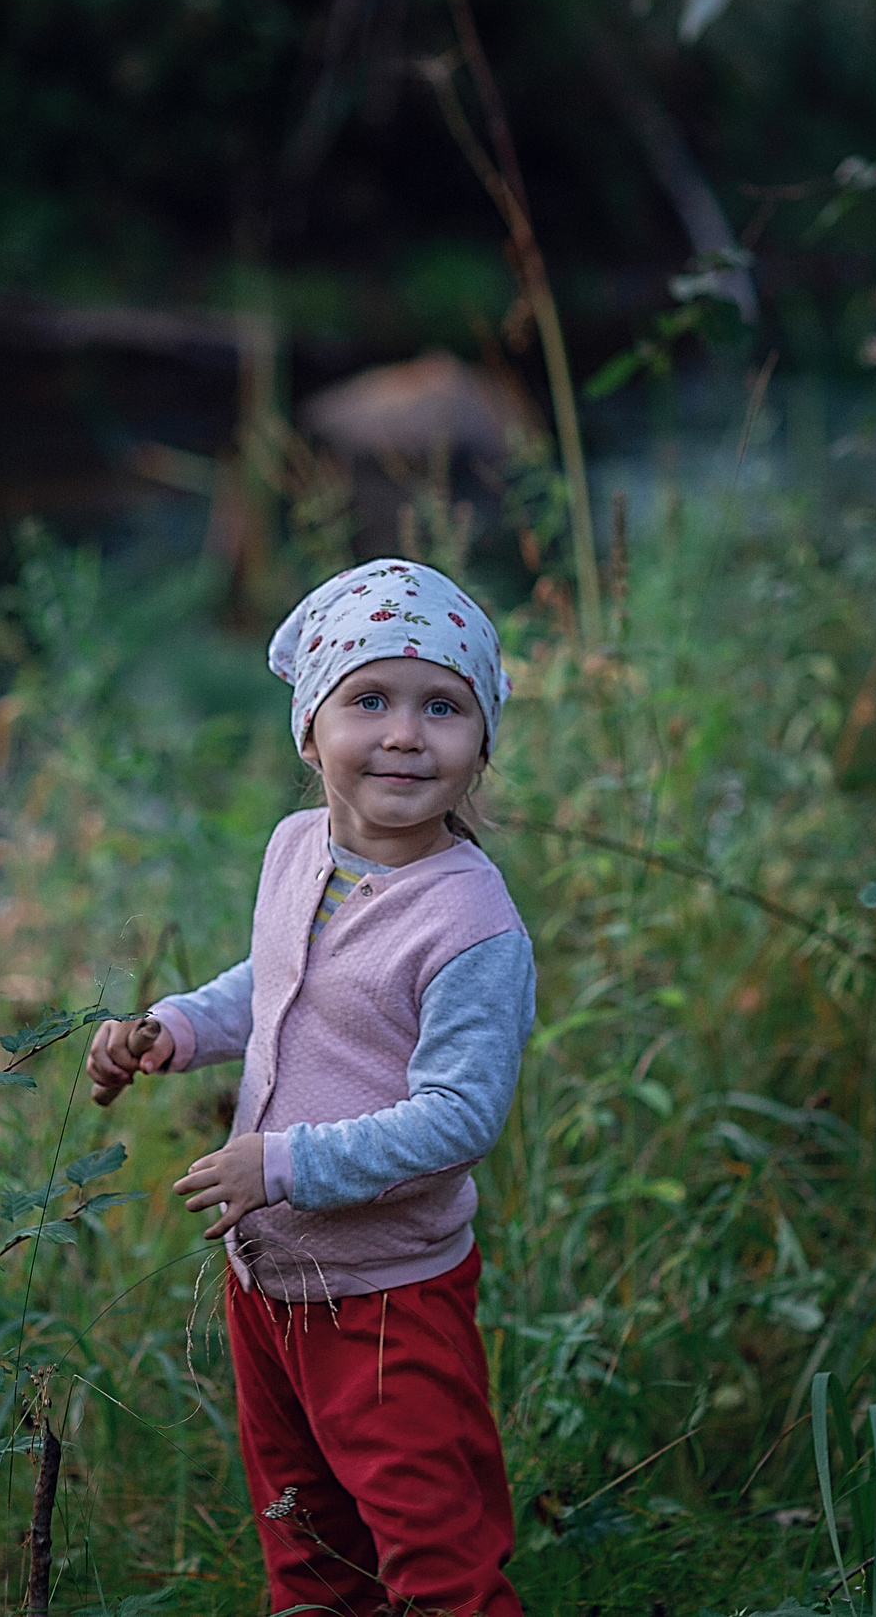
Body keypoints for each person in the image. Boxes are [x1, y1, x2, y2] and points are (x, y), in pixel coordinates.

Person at [86, 558, 534, 1617]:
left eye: (443, 707)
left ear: (481, 743)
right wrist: (175, 1027)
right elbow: (278, 981)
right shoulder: (299, 850)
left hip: (387, 1296)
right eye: (368, 700)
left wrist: (283, 1164)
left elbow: (460, 1116)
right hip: (269, 1285)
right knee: (307, 1540)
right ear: (308, 730)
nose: (404, 734)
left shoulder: (469, 925)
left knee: (433, 1555)